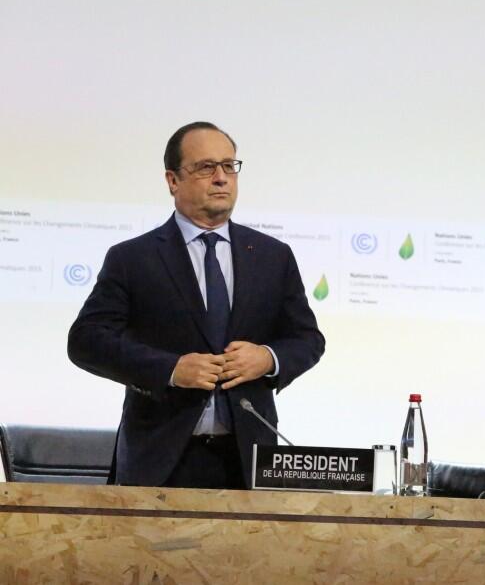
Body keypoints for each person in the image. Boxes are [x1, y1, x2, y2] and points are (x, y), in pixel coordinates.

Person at [68, 121, 325, 489]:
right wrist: (171, 368)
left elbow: (308, 339)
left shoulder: (272, 257)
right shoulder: (133, 258)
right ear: (173, 180)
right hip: (160, 461)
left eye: (229, 166)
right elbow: (86, 341)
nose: (221, 178)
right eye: (206, 167)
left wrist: (267, 358)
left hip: (247, 462)